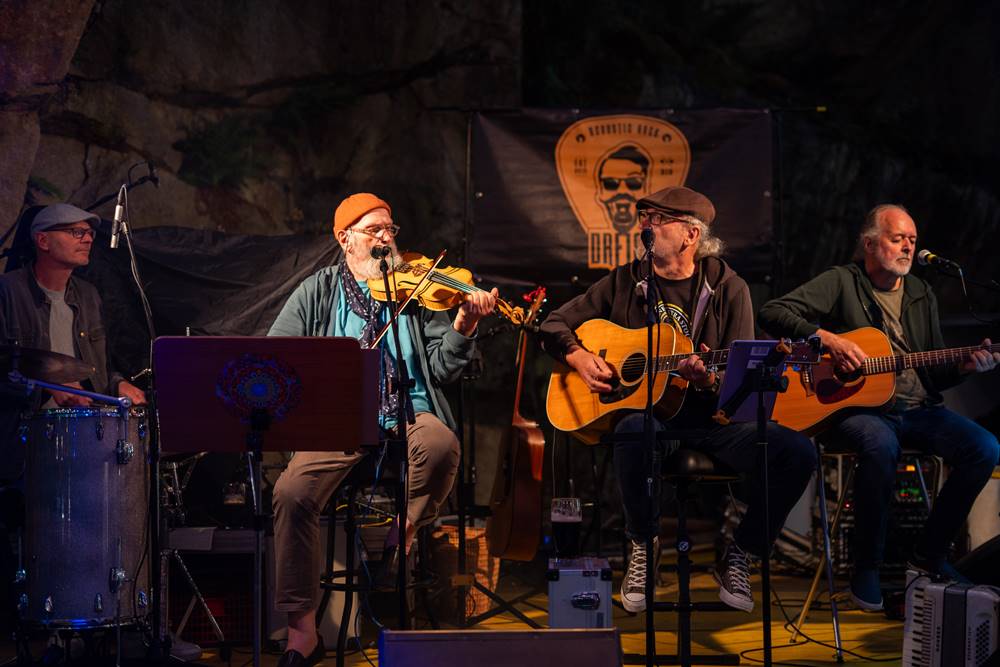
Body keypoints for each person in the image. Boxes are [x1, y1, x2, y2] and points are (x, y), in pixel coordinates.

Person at [539, 185, 816, 613]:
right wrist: (577, 355)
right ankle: (643, 545)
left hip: (713, 423)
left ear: (691, 234)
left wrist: (707, 380)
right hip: (654, 420)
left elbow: (739, 376)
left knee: (797, 452)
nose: (645, 226)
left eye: (657, 219)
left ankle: (741, 553)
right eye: (644, 218)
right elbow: (553, 323)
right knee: (633, 431)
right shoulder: (625, 281)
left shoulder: (729, 287)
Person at [268, 193, 496, 667]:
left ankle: (405, 528)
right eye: (374, 230)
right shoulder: (317, 290)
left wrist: (463, 326)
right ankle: (302, 630)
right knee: (291, 492)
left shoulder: (417, 288)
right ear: (345, 238)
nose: (386, 238)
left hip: (410, 411)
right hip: (338, 421)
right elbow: (277, 357)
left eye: (390, 229)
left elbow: (442, 368)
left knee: (441, 445)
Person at [758, 203, 1000, 611]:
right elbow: (772, 312)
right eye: (897, 238)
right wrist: (828, 340)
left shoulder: (921, 293)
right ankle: (866, 566)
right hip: (856, 411)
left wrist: (965, 367)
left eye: (912, 240)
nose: (908, 247)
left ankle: (929, 555)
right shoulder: (841, 281)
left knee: (985, 447)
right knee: (879, 445)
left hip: (918, 410)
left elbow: (934, 370)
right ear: (870, 244)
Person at [0, 203, 147, 414]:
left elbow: (99, 368)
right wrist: (46, 387)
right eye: (77, 232)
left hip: (82, 424)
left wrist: (117, 383)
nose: (88, 239)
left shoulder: (88, 295)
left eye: (89, 233)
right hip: (24, 424)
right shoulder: (7, 291)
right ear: (43, 241)